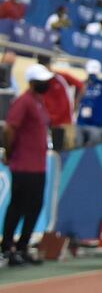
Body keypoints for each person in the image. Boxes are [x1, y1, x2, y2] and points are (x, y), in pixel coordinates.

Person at [1, 64, 52, 266]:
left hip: (39, 166)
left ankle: (22, 246)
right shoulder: (23, 102)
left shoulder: (39, 102)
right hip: (23, 165)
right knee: (17, 206)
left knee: (35, 206)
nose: (46, 84)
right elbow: (9, 129)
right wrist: (10, 151)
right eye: (42, 81)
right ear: (31, 83)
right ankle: (6, 248)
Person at [37, 56, 83, 151]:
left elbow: (81, 86)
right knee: (53, 152)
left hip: (66, 122)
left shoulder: (61, 77)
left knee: (68, 152)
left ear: (49, 65)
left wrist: (76, 103)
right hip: (50, 124)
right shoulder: (40, 82)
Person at [74, 60, 102, 147]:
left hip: (97, 125)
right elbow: (76, 101)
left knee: (93, 150)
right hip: (81, 123)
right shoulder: (81, 84)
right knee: (77, 149)